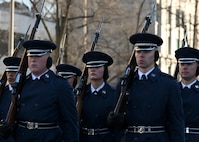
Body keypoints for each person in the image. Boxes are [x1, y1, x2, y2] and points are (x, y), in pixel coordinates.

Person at [109, 33, 185, 142]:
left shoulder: (168, 84)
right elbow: (117, 126)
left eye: (146, 52)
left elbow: (176, 124)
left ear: (155, 55)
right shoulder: (124, 83)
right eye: (138, 52)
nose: (141, 55)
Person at [14, 40, 79, 142]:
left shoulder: (60, 85)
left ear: (48, 59)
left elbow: (70, 122)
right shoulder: (22, 83)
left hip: (48, 138)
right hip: (23, 137)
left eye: (38, 56)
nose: (33, 60)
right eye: (30, 56)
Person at [79, 51, 118, 142]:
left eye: (97, 67)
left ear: (105, 69)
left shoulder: (113, 94)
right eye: (90, 67)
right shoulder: (81, 94)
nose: (93, 69)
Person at [175, 47, 199, 142]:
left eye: (189, 64)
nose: (185, 67)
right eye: (182, 64)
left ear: (197, 65)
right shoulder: (171, 90)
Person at [0, 56, 21, 142]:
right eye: (8, 72)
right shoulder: (2, 92)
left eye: (14, 72)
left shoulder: (24, 92)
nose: (10, 75)